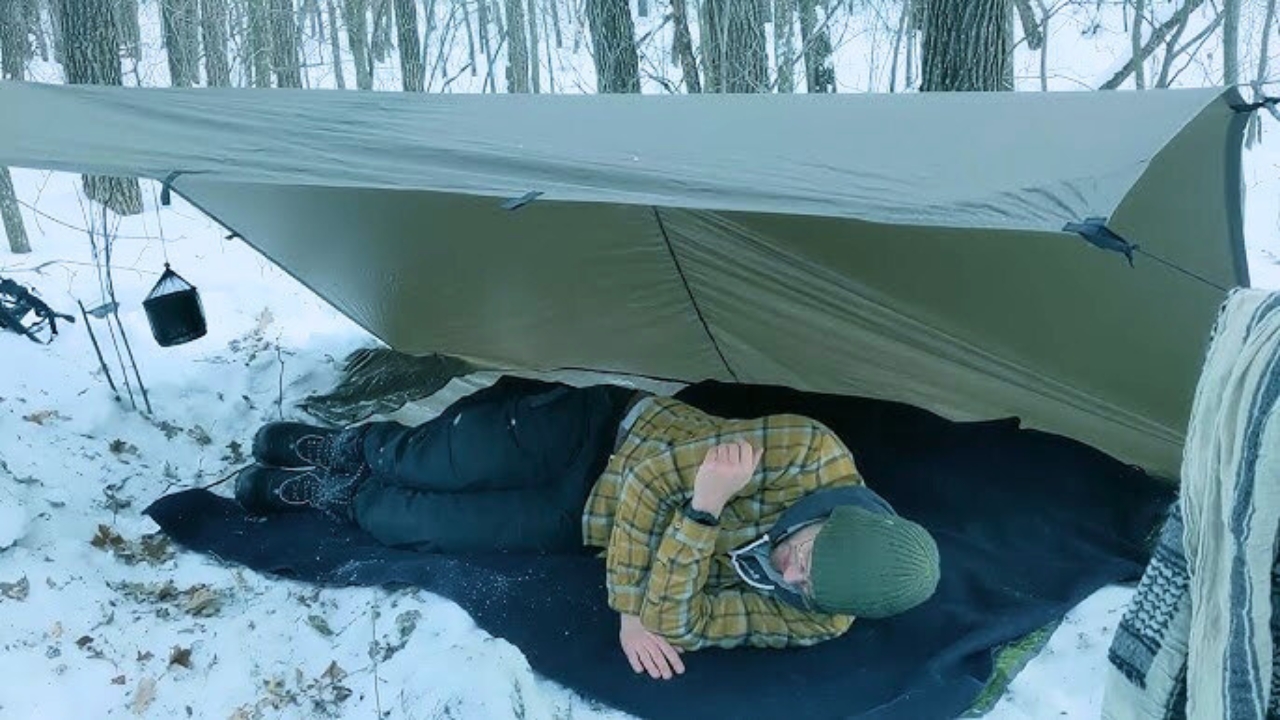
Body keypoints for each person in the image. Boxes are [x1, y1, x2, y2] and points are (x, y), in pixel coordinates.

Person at [234, 375, 941, 679]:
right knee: (433, 460)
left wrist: (702, 514)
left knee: (415, 522)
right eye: (806, 554)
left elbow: (684, 621)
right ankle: (354, 448)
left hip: (585, 522)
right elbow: (650, 481)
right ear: (828, 518)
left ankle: (334, 495)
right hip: (605, 432)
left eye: (804, 585)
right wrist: (636, 602)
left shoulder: (822, 617)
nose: (789, 573)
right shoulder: (807, 452)